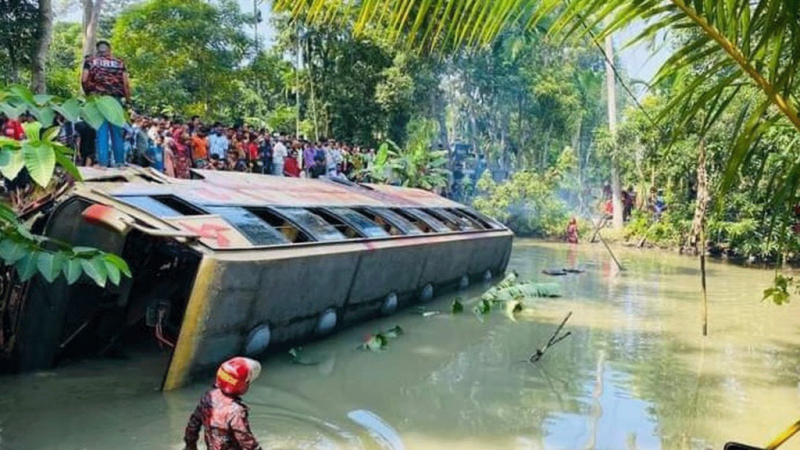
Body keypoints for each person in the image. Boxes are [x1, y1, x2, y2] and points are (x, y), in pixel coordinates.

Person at [184, 357, 263, 450]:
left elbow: (192, 427)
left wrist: (190, 446)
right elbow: (246, 440)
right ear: (241, 386)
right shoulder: (235, 411)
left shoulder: (208, 398)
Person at [81, 40, 131, 167]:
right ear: (109, 50)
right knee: (117, 133)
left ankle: (103, 163)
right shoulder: (119, 62)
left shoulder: (90, 61)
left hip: (99, 100)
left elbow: (84, 79)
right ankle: (120, 163)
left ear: (98, 51)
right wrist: (128, 100)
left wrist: (89, 94)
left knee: (101, 131)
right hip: (115, 101)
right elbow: (125, 83)